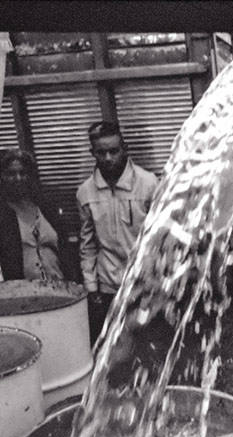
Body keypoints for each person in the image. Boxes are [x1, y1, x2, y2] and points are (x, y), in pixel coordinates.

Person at [76, 121, 158, 344]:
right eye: (101, 152)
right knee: (116, 345)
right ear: (92, 153)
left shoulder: (148, 184)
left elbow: (160, 237)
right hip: (109, 286)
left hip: (144, 284)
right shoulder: (85, 192)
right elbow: (88, 244)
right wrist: (91, 287)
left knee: (149, 343)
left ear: (125, 148)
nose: (108, 158)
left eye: (114, 151)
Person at [0, 149, 68, 281]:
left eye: (23, 173)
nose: (18, 178)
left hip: (60, 288)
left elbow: (65, 249)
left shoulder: (46, 207)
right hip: (22, 293)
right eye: (11, 174)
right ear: (1, 176)